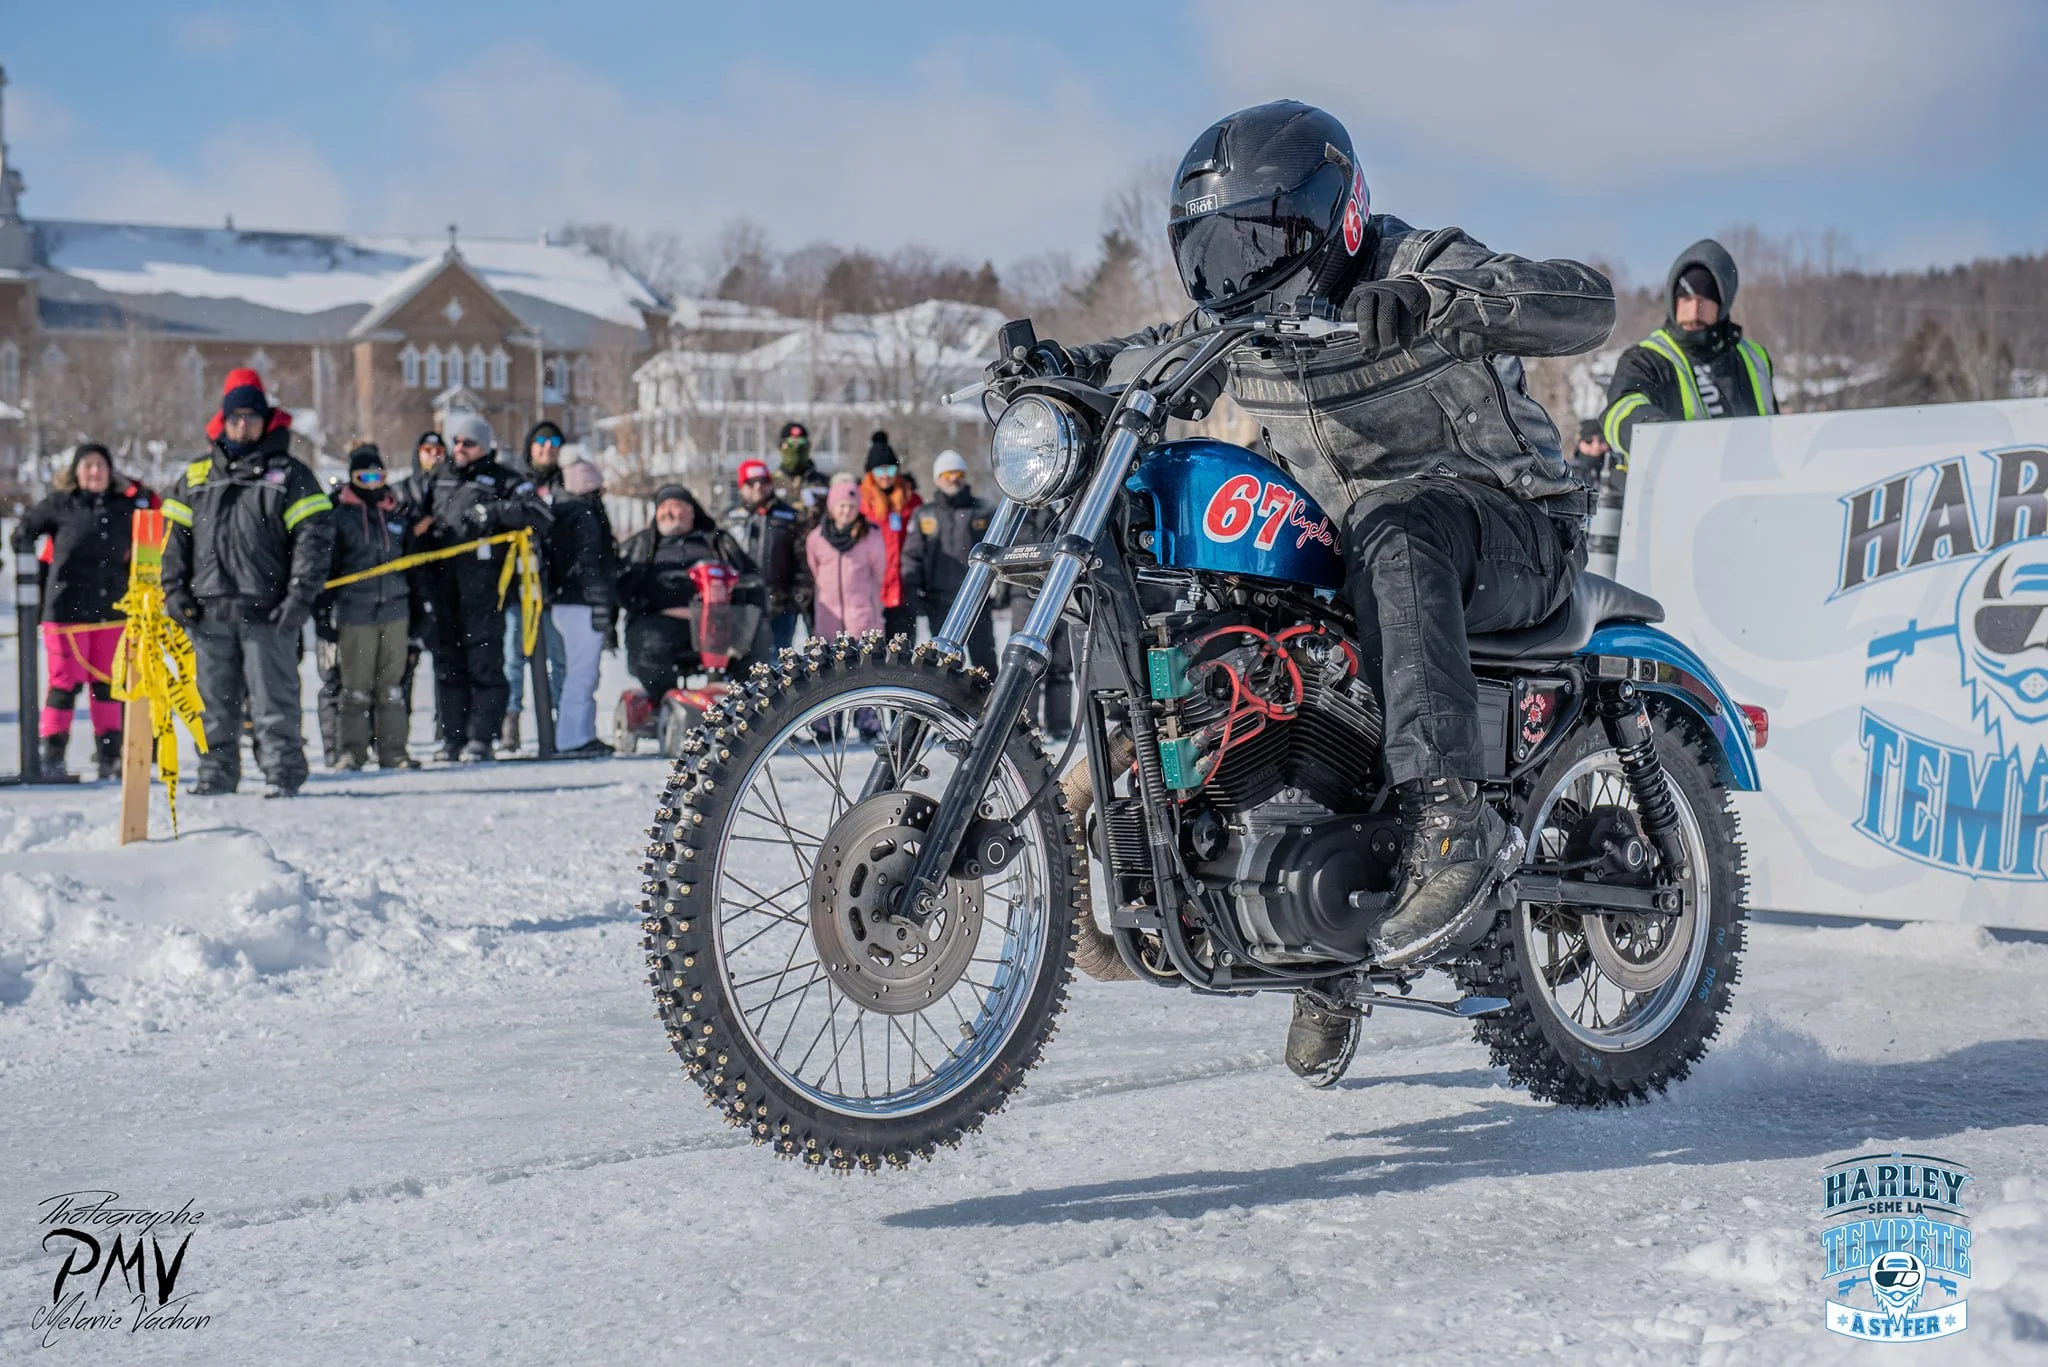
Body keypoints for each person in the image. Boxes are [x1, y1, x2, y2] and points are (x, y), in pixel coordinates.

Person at [1029, 101, 1613, 1081]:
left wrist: (1438, 305)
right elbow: (1149, 354)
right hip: (1374, 564)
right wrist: (1064, 369)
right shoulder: (1240, 332)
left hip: (1510, 530)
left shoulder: (1419, 262)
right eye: (1209, 249)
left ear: (1330, 217)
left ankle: (1446, 820)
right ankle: (1321, 931)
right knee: (1247, 612)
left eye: (1252, 239)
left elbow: (1580, 301)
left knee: (1395, 521)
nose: (1233, 270)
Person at [162, 369, 336, 797]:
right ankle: (215, 773)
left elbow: (314, 539)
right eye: (235, 417)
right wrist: (174, 590)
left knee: (272, 700)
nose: (243, 425)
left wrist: (299, 596)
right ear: (222, 421)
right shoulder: (197, 476)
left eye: (251, 418)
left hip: (269, 611)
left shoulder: (290, 474)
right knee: (212, 703)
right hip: (209, 611)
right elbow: (172, 541)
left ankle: (282, 773)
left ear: (265, 421)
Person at [9, 443, 159, 778]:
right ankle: (52, 755)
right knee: (64, 684)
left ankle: (109, 755)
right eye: (88, 466)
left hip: (112, 610)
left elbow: (154, 527)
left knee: (107, 684)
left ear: (110, 471)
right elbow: (23, 533)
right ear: (76, 472)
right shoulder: (60, 504)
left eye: (100, 465)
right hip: (64, 611)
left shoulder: (125, 507)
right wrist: (32, 573)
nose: (94, 472)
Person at [413, 411, 552, 762]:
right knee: (447, 664)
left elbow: (540, 515)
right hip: (442, 585)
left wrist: (494, 512)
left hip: (485, 586)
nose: (460, 448)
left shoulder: (504, 478)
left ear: (484, 446)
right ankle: (452, 738)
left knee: (484, 663)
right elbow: (414, 510)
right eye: (456, 442)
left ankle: (481, 738)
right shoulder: (438, 478)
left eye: (468, 443)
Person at [1600, 239, 1776, 469]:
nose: (1693, 311)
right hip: (1676, 490)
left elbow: (1775, 431)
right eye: (1686, 299)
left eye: (1704, 301)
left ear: (1723, 303)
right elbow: (1619, 411)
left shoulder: (1755, 358)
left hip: (1755, 490)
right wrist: (1656, 432)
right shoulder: (1645, 358)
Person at [321, 445, 417, 770]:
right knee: (355, 689)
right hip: (356, 611)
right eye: (365, 477)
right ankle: (352, 751)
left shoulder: (397, 515)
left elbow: (414, 565)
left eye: (379, 476)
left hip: (394, 610)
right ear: (352, 479)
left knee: (391, 688)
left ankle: (394, 752)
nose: (373, 483)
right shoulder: (339, 516)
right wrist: (324, 614)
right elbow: (328, 568)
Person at [616, 485, 752, 700]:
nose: (668, 512)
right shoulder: (640, 544)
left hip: (720, 622)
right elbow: (620, 584)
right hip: (661, 622)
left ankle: (745, 704)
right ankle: (665, 703)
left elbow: (750, 576)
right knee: (647, 647)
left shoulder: (718, 541)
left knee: (757, 635)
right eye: (662, 507)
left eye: (675, 506)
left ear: (691, 511)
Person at [501, 420, 570, 752]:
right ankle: (510, 722)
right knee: (513, 659)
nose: (547, 447)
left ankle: (560, 721)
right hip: (519, 590)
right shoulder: (515, 484)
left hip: (554, 591)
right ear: (530, 446)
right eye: (541, 441)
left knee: (559, 660)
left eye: (554, 442)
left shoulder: (567, 483)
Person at [547, 459, 619, 756]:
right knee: (582, 674)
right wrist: (601, 601)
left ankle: (582, 734)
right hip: (580, 604)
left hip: (566, 603)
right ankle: (572, 738)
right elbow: (589, 565)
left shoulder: (561, 511)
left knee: (580, 673)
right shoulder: (585, 516)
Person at [901, 449, 997, 671]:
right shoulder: (924, 514)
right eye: (946, 475)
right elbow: (911, 557)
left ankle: (991, 706)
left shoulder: (984, 511)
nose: (953, 479)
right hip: (939, 603)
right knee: (943, 666)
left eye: (957, 474)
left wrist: (1000, 590)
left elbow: (999, 552)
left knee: (986, 664)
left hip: (977, 601)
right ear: (937, 479)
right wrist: (912, 591)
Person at [724, 457, 812, 657]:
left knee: (778, 665)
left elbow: (803, 561)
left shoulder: (790, 517)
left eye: (763, 481)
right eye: (751, 483)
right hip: (740, 607)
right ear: (741, 486)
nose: (758, 487)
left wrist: (798, 593)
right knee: (743, 664)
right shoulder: (728, 519)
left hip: (780, 605)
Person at [858, 431, 921, 642]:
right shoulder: (860, 502)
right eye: (879, 470)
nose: (885, 475)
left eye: (890, 469)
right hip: (871, 588)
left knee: (902, 649)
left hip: (904, 588)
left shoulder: (912, 501)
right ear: (870, 473)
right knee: (871, 651)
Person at [807, 475, 887, 642]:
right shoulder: (817, 538)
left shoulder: (871, 536)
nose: (846, 511)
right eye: (841, 505)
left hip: (862, 619)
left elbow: (879, 572)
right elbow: (814, 569)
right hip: (828, 618)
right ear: (832, 507)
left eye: (852, 506)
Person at [774, 420, 830, 525]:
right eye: (791, 444)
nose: (796, 448)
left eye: (801, 444)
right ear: (781, 447)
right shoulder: (769, 485)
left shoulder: (825, 482)